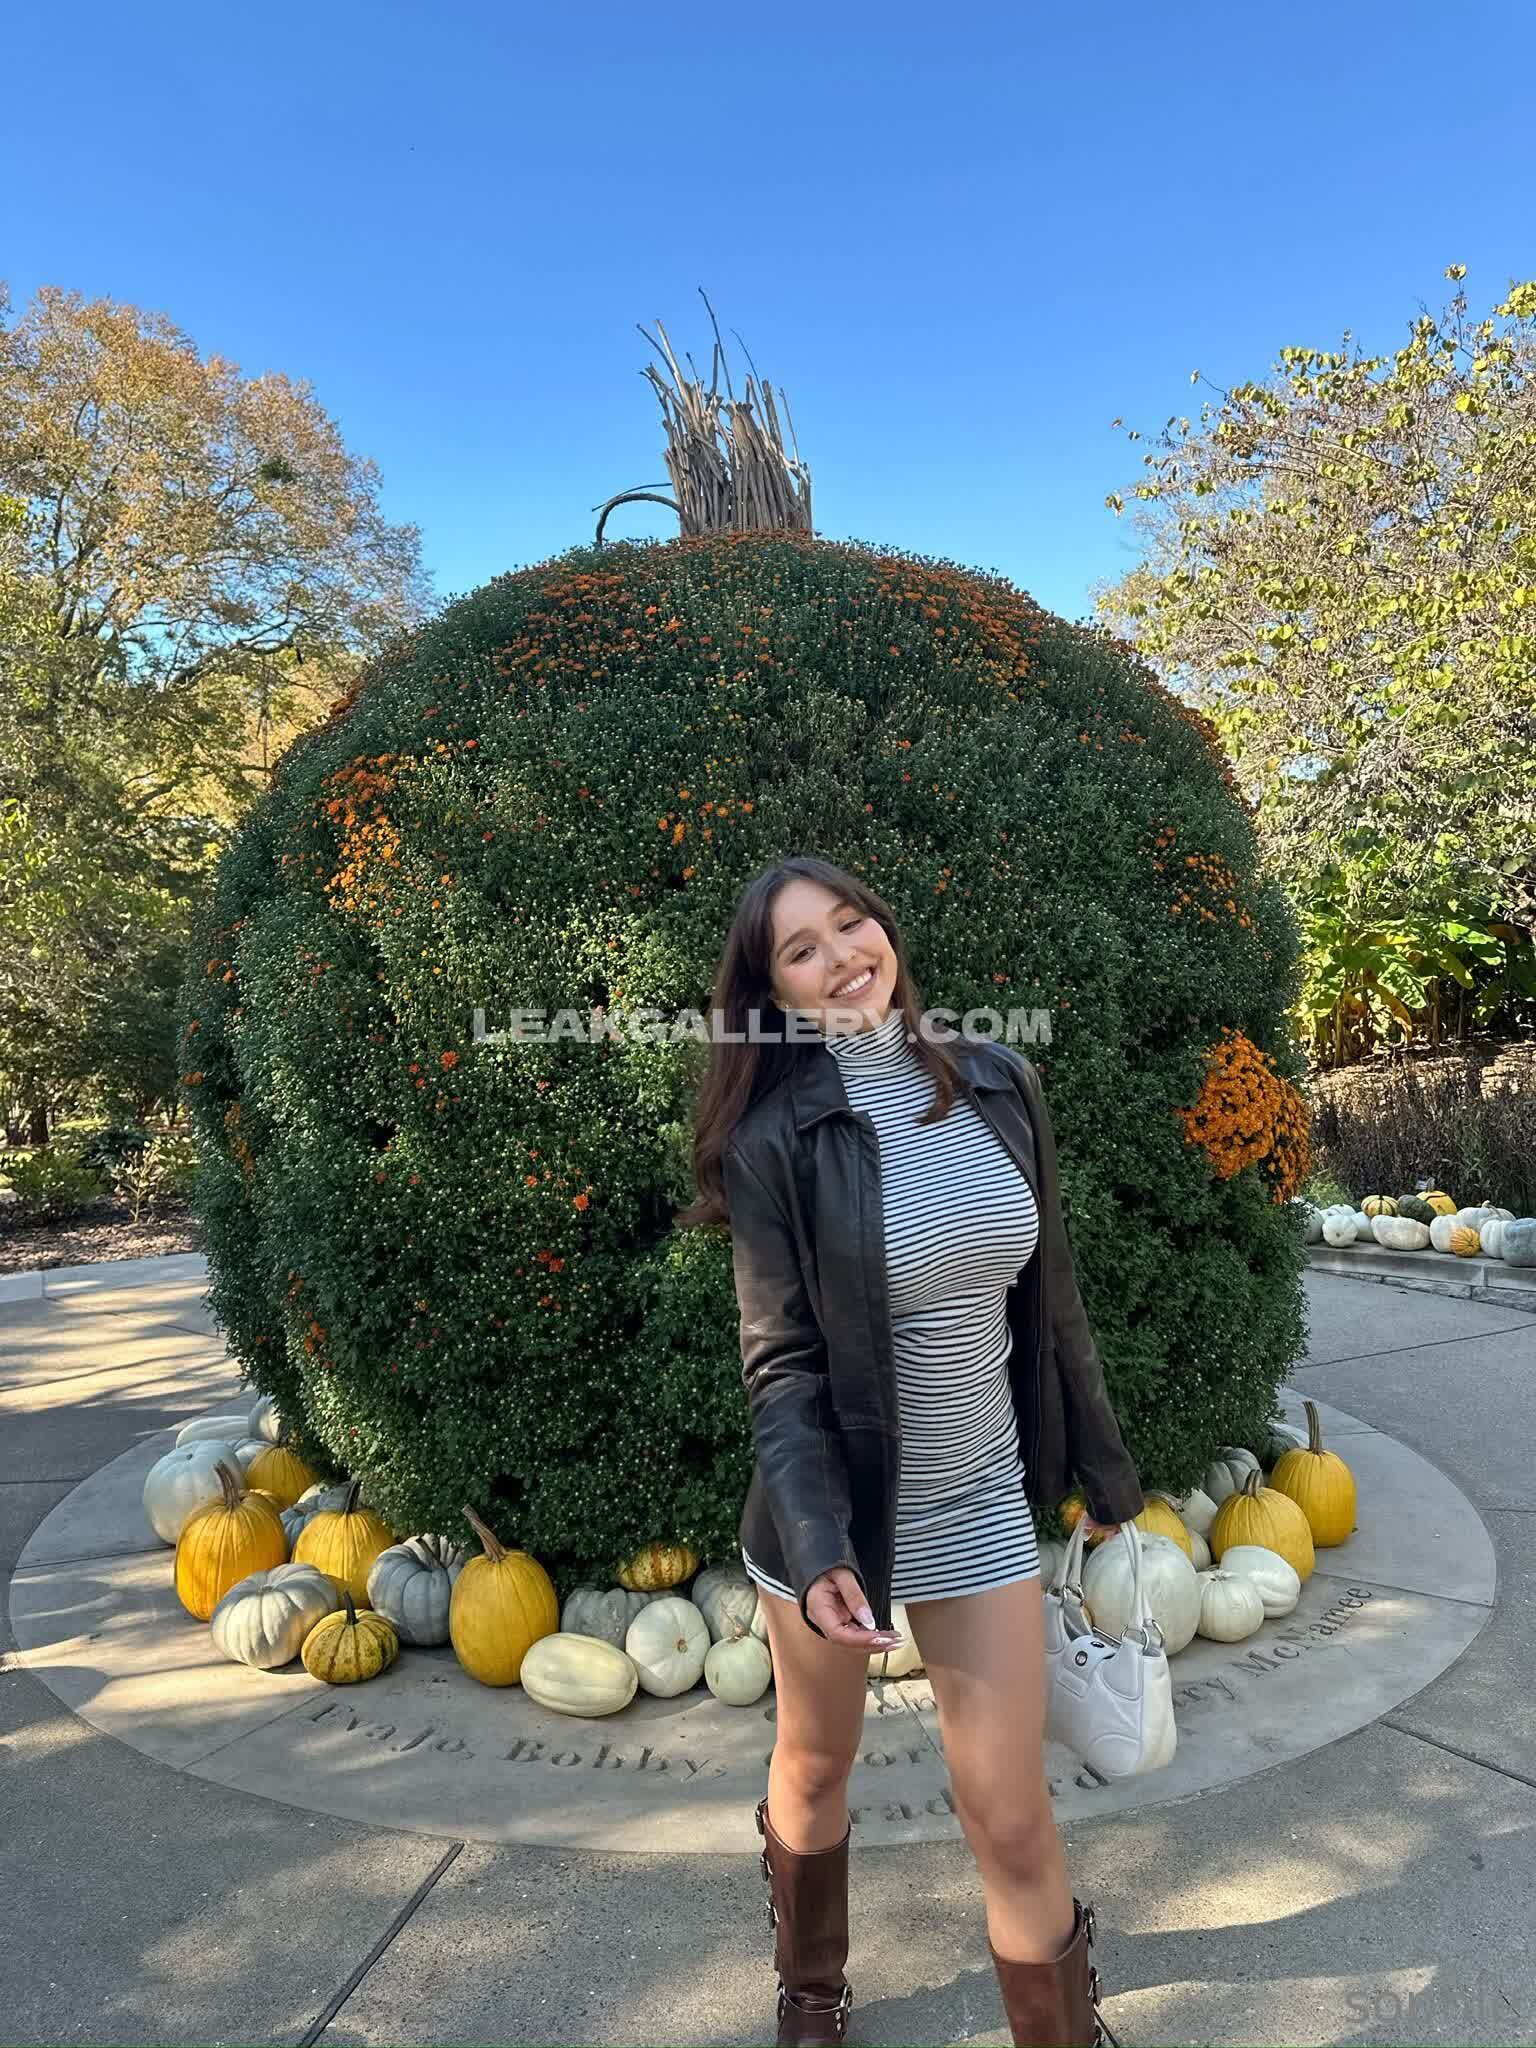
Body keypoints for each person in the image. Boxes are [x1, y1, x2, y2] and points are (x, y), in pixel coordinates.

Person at [676, 855, 1145, 2047]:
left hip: (980, 1501)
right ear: (773, 992)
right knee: (815, 1760)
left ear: (883, 927)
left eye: (852, 923)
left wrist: (1104, 1470)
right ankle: (811, 1991)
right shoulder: (776, 1140)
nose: (843, 956)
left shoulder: (1000, 1080)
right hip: (832, 1519)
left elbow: (1053, 1295)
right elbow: (781, 1364)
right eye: (802, 948)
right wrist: (822, 1547)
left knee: (1010, 1810)